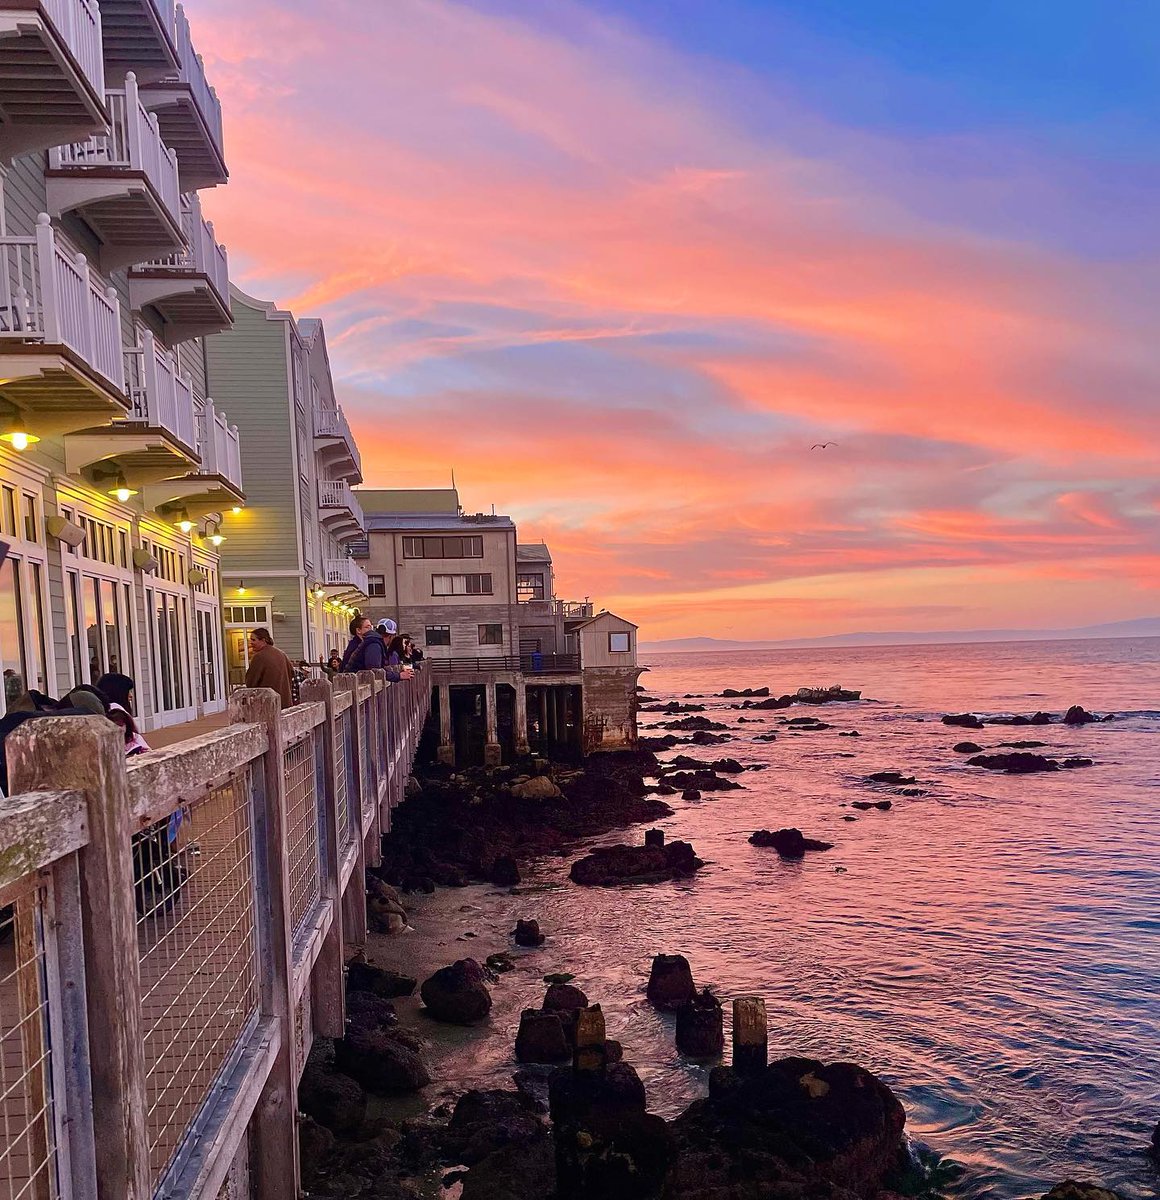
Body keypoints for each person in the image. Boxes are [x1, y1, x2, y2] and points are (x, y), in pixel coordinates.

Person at [244, 627, 295, 709]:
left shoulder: (259, 657)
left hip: (267, 704)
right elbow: (292, 673)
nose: (251, 643)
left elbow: (250, 682)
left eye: (253, 640)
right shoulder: (282, 654)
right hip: (285, 703)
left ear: (263, 640)